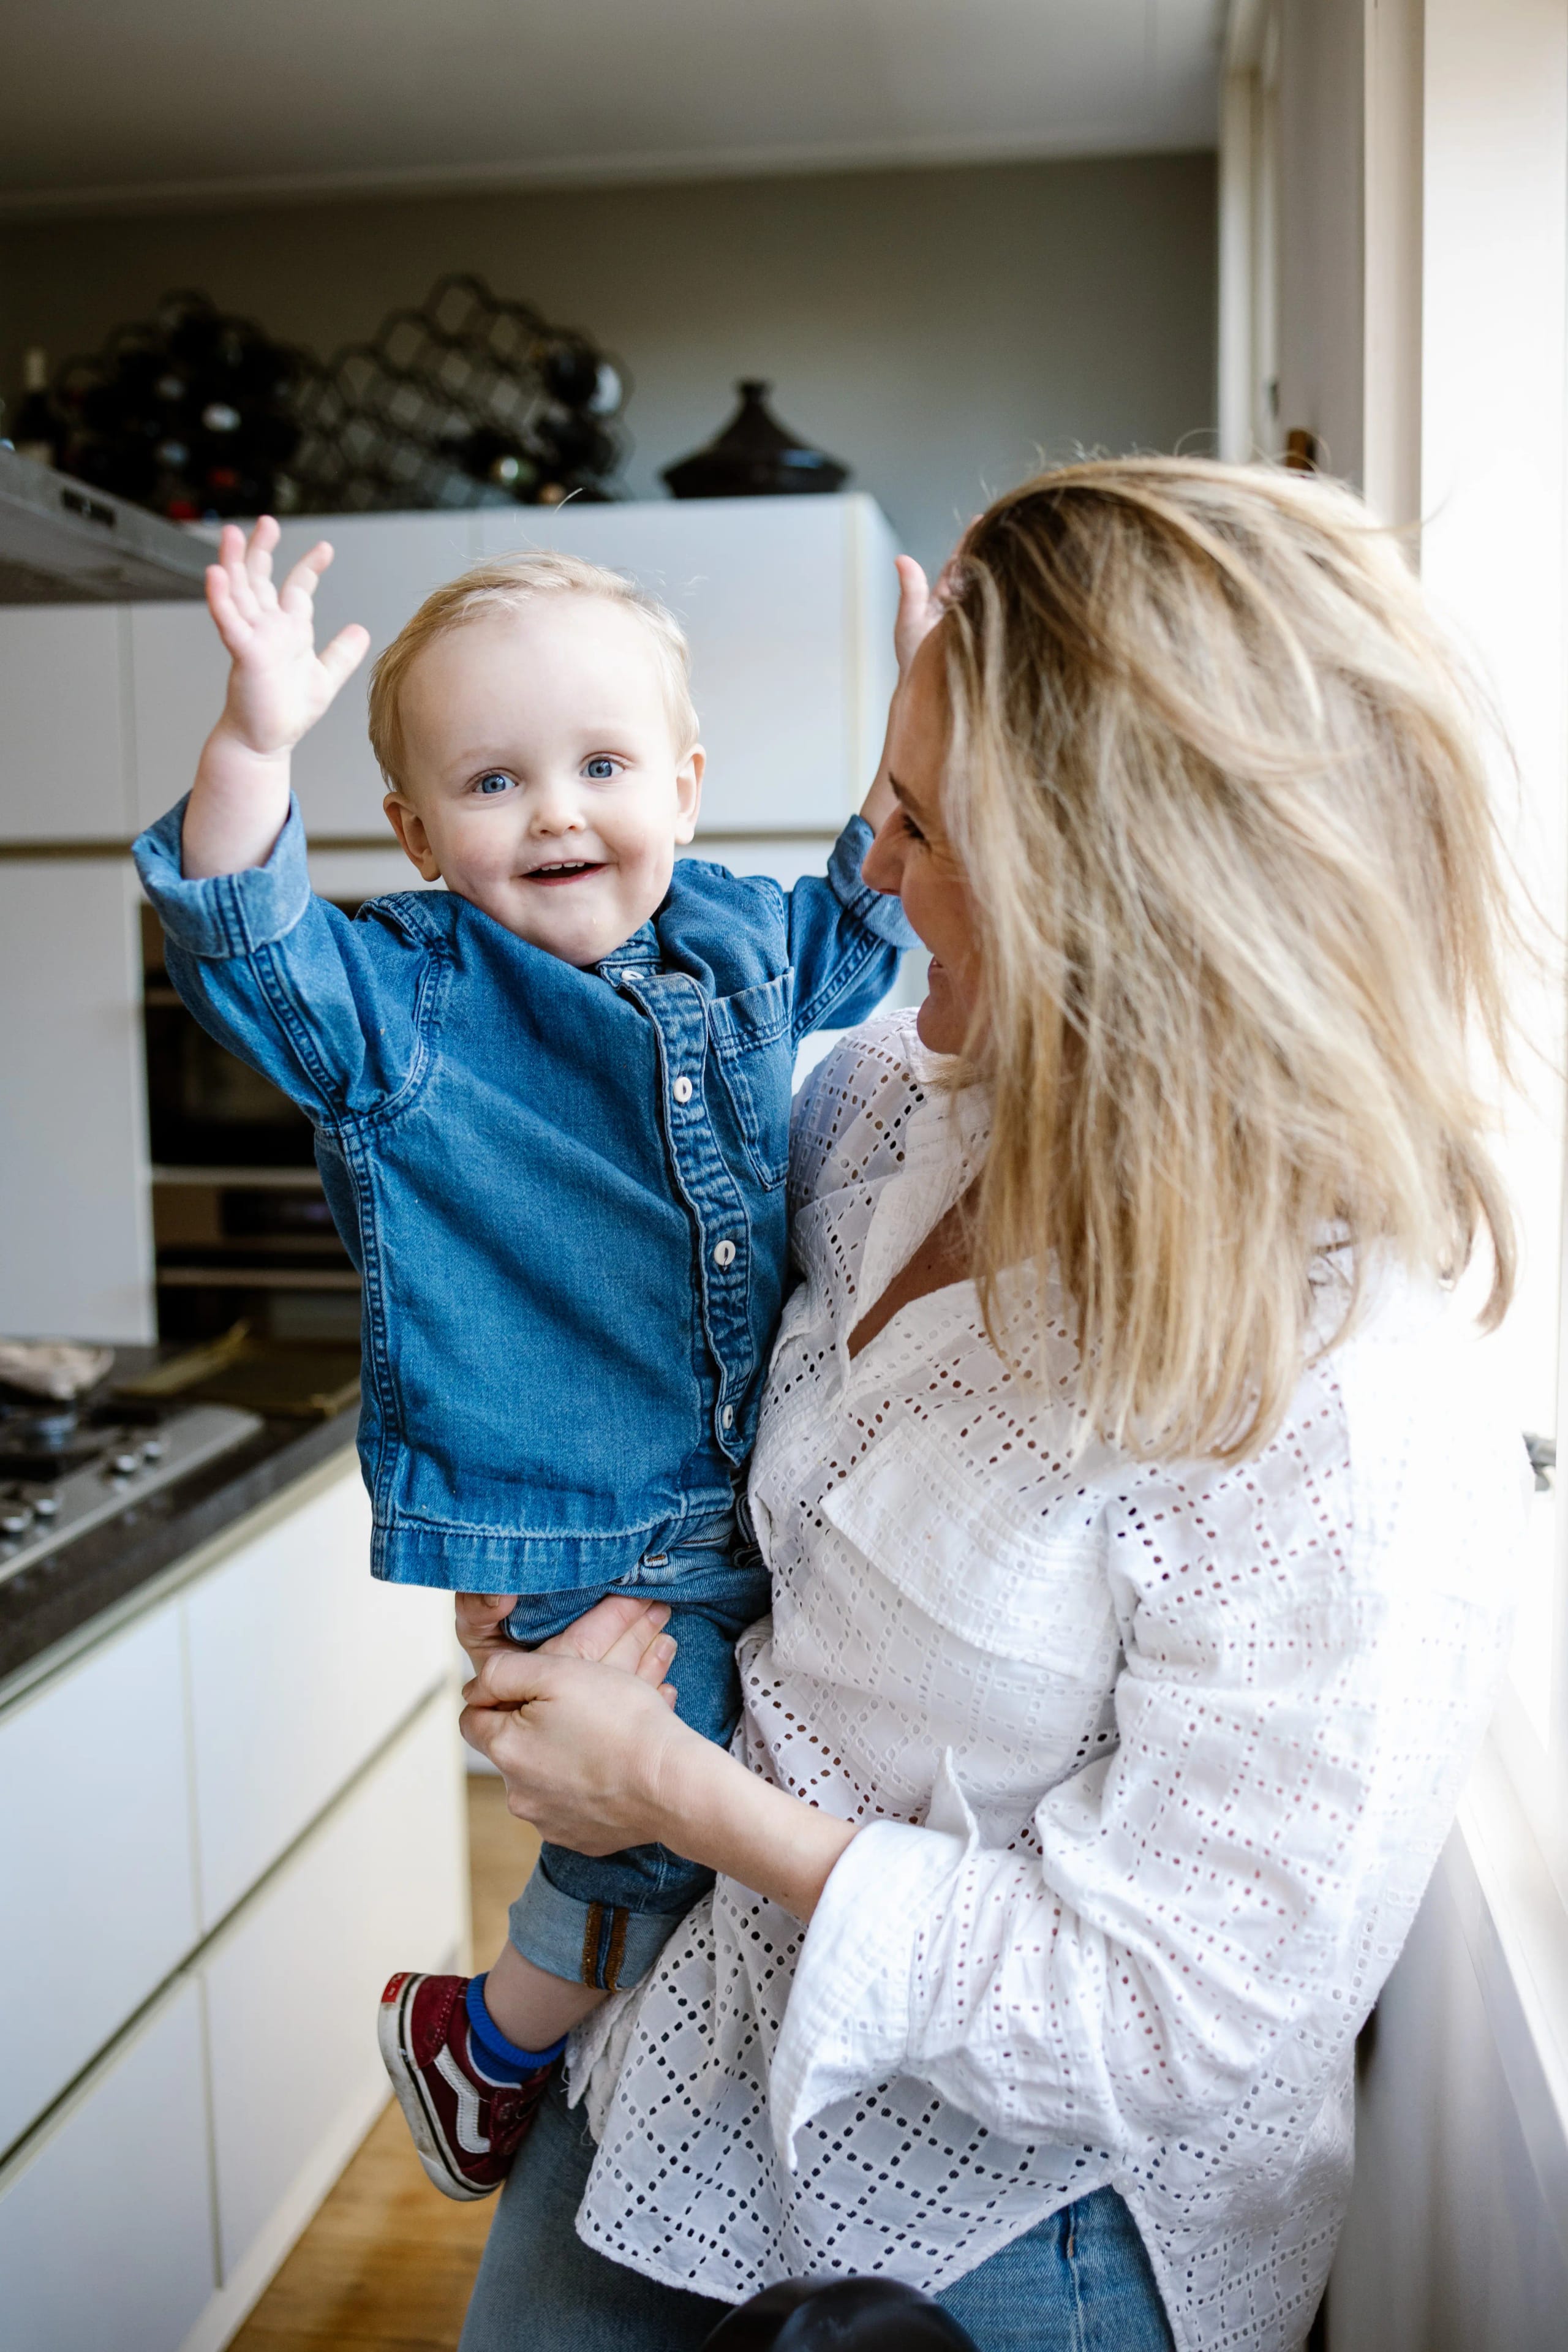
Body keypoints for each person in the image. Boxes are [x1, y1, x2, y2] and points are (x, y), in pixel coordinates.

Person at [453, 458, 1531, 2352]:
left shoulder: (1340, 1410)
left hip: (1027, 2233)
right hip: (684, 2066)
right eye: (881, 798)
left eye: (926, 824)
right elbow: (639, 1353)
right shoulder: (886, 1114)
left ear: (1131, 902)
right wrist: (547, 1584)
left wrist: (679, 1799)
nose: (866, 871)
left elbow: (1161, 2024)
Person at [131, 522, 914, 2198]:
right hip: (560, 1512)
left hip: (729, 1495)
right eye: (491, 782)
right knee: (665, 1778)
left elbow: (865, 919)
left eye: (603, 763)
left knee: (716, 1771)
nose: (557, 811)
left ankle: (535, 2026)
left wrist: (924, 735)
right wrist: (256, 743)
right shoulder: (405, 998)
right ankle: (493, 2038)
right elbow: (239, 935)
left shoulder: (739, 940)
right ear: (411, 832)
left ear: (686, 787)